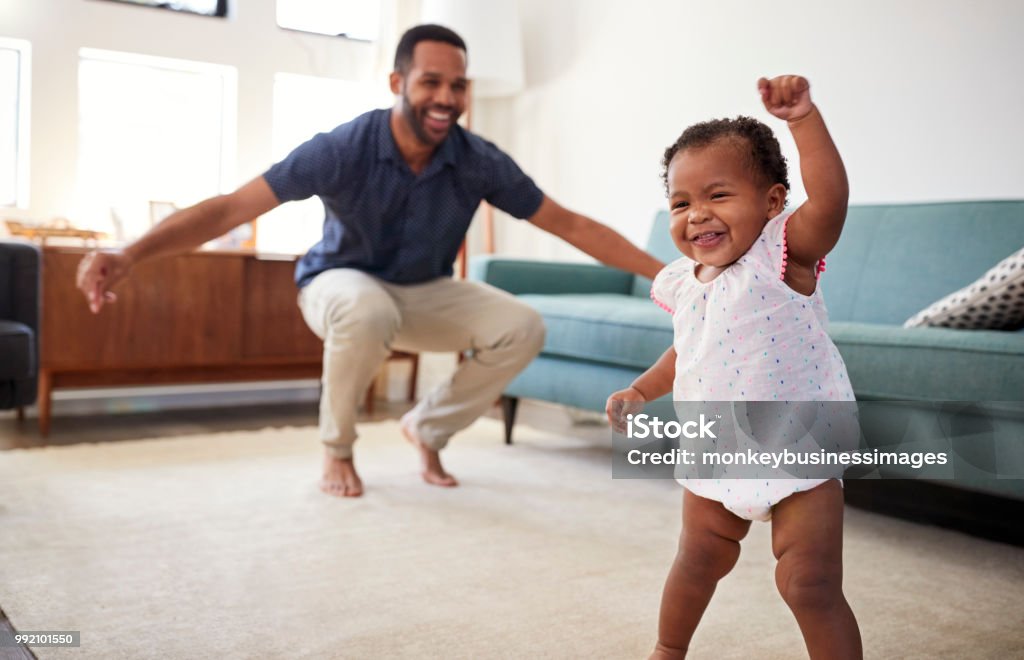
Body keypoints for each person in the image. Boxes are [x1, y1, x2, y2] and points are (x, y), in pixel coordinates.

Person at [76, 24, 663, 498]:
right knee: (364, 307)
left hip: (423, 289)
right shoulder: (343, 148)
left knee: (523, 325)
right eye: (431, 82)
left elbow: (570, 224)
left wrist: (664, 274)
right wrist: (130, 254)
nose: (446, 98)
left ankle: (426, 428)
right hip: (337, 284)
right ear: (397, 80)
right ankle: (337, 448)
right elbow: (231, 207)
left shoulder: (477, 159)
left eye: (458, 86)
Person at [606, 76, 862, 658]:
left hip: (800, 444)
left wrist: (802, 121)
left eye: (718, 196)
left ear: (772, 203)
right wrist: (642, 391)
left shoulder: (782, 257)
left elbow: (830, 202)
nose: (697, 215)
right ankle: (669, 650)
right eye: (680, 202)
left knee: (809, 583)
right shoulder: (682, 282)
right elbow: (688, 350)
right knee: (697, 559)